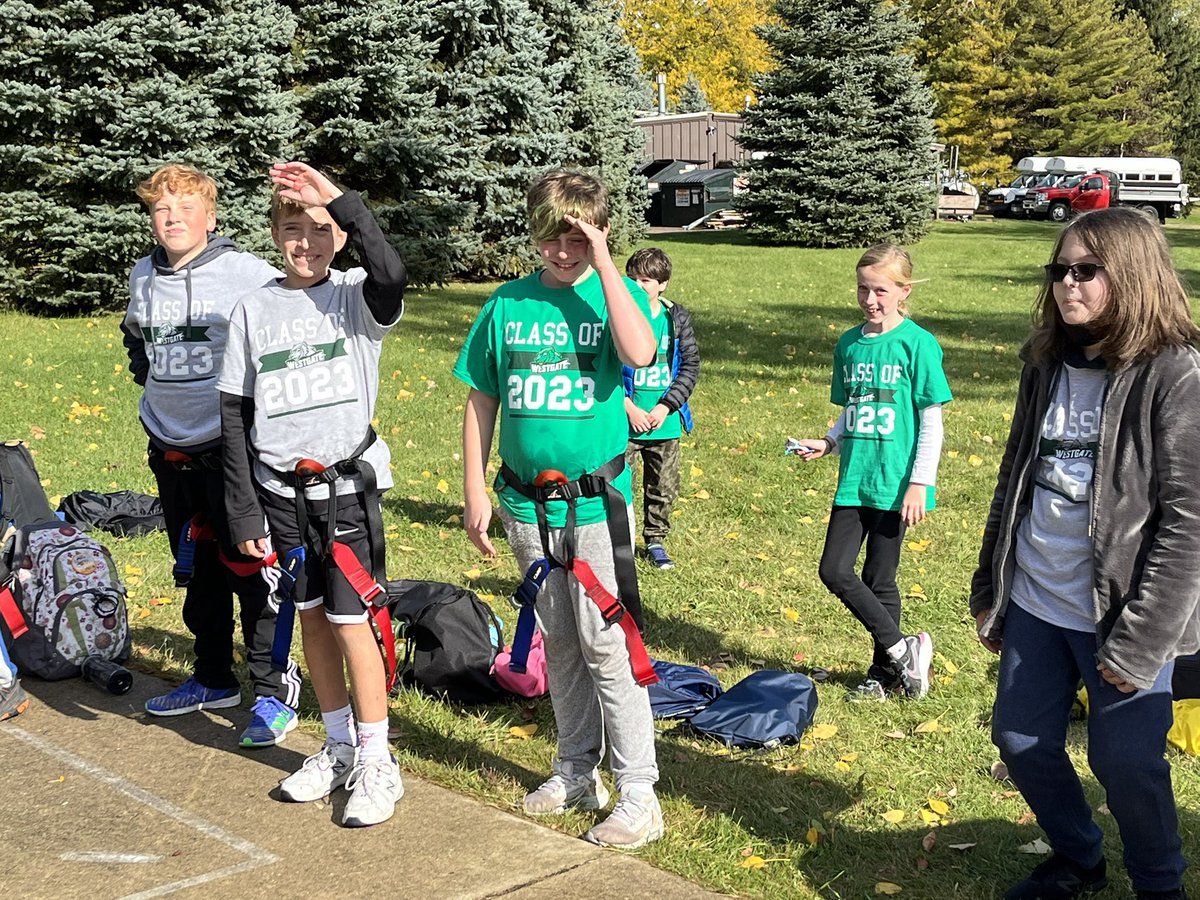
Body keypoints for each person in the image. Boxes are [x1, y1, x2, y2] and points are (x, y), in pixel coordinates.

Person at [971, 207, 1198, 900]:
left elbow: (1190, 521)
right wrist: (991, 586)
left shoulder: (1175, 372)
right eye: (1059, 270)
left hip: (1124, 614)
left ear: (1129, 275)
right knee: (1021, 740)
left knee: (1125, 761)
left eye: (1086, 271)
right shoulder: (1046, 361)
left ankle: (1159, 881)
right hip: (1039, 596)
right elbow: (1015, 476)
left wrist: (1139, 646)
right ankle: (1079, 856)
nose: (1068, 284)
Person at [455, 169, 664, 849]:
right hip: (524, 502)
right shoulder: (508, 305)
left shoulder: (616, 295)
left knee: (609, 644)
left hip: (594, 506)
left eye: (577, 241)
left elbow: (641, 350)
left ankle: (639, 791)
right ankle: (576, 769)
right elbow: (482, 397)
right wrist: (475, 488)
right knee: (564, 642)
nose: (563, 253)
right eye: (553, 240)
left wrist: (605, 264)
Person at [218, 161, 407, 828]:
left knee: (354, 622)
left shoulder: (356, 295)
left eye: (321, 230)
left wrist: (340, 200)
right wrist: (243, 505)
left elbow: (392, 272)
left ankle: (376, 758)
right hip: (280, 496)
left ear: (342, 236)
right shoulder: (252, 309)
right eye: (294, 230)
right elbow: (234, 415)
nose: (308, 243)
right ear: (275, 235)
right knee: (313, 620)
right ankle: (333, 745)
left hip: (344, 494)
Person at [122, 163, 301, 747]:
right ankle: (212, 677)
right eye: (161, 209)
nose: (172, 219)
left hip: (231, 450)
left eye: (185, 208)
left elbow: (282, 329)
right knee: (196, 571)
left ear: (211, 216)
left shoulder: (245, 273)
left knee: (252, 570)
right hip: (169, 449)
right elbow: (136, 340)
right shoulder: (143, 275)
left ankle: (275, 689)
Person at [791, 243, 950, 701]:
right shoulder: (849, 343)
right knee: (834, 570)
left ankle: (884, 675)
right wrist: (829, 441)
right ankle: (906, 649)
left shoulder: (917, 344)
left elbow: (931, 422)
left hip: (895, 483)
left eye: (880, 290)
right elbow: (855, 406)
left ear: (904, 291)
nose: (869, 299)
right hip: (854, 479)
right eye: (863, 289)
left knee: (881, 579)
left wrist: (921, 482)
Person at [622, 248, 699, 571]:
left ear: (662, 284)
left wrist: (667, 407)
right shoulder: (618, 316)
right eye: (633, 279)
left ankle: (655, 539)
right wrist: (628, 408)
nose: (639, 287)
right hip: (623, 421)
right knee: (615, 484)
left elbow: (689, 367)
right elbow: (602, 369)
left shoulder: (675, 318)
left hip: (663, 422)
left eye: (647, 280)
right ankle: (617, 539)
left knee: (663, 487)